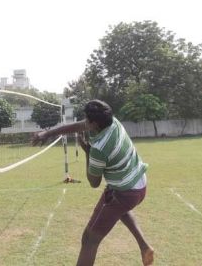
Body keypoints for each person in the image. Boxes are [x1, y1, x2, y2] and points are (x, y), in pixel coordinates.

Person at [33, 99, 154, 266]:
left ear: (94, 124)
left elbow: (94, 182)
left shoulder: (99, 148)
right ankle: (144, 246)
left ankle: (143, 246)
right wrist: (47, 133)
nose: (84, 121)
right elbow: (79, 126)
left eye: (86, 119)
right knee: (121, 211)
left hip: (124, 192)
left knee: (89, 239)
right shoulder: (113, 122)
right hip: (138, 182)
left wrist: (87, 152)